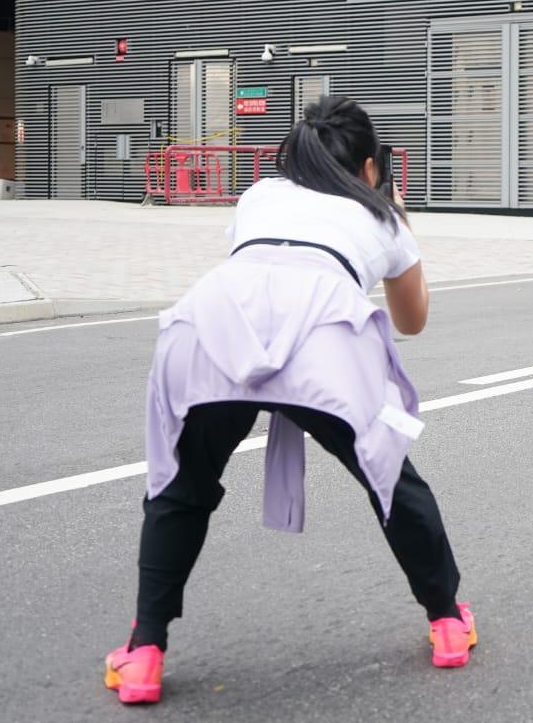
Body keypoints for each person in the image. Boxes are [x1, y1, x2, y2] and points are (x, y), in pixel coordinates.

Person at [102, 97, 475, 706]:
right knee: (389, 478)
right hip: (321, 342)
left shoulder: (259, 195)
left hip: (214, 327)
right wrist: (397, 217)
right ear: (371, 166)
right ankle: (448, 621)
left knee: (181, 486)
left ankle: (143, 653)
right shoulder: (378, 214)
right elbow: (412, 321)